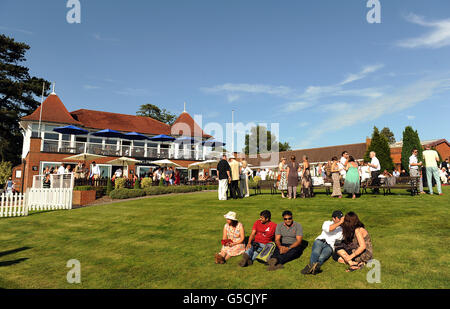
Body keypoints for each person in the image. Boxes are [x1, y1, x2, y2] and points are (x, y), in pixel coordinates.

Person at [301, 210, 344, 275]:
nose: (341, 220)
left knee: (322, 257)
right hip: (320, 241)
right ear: (333, 218)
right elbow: (329, 229)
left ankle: (311, 268)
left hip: (330, 246)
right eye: (339, 218)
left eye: (341, 218)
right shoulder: (327, 223)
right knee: (316, 253)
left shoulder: (341, 229)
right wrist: (340, 223)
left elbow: (340, 239)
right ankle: (314, 268)